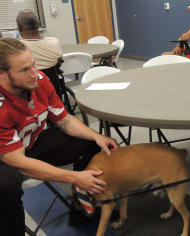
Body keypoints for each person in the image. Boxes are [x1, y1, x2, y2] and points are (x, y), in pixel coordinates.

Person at [0, 38, 118, 236]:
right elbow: (17, 162)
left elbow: (64, 121)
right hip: (7, 159)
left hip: (29, 144)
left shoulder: (40, 81)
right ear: (2, 74)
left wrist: (96, 136)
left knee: (88, 142)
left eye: (34, 65)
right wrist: (75, 177)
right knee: (7, 186)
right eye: (24, 70)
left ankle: (81, 206)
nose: (34, 74)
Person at [16, 9, 63, 95]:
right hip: (53, 90)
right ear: (38, 25)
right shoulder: (54, 41)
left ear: (19, 27)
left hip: (29, 94)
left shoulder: (17, 46)